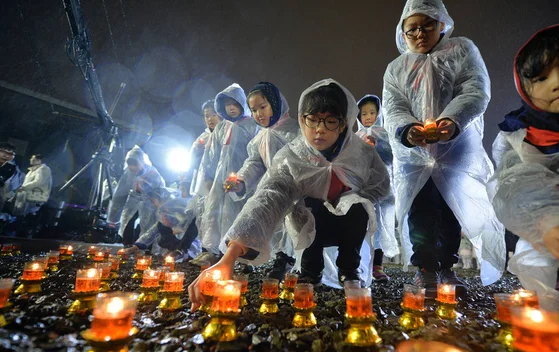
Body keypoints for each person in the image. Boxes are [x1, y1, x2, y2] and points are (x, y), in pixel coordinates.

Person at [188, 79, 390, 310]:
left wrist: (347, 198)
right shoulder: (293, 156)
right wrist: (229, 257)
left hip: (349, 227)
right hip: (312, 226)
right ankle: (309, 271)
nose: (319, 130)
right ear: (302, 119)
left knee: (356, 204)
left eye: (330, 122)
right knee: (309, 205)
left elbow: (380, 185)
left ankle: (349, 269)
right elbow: (268, 197)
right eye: (311, 120)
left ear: (344, 123)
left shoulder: (361, 153)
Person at [382, 0, 505, 299]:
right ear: (403, 32)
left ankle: (447, 267)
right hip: (416, 158)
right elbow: (394, 105)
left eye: (427, 25)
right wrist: (407, 130)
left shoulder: (461, 50)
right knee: (420, 212)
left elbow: (475, 88)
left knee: (451, 210)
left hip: (455, 152)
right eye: (412, 29)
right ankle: (425, 268)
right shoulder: (397, 68)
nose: (420, 34)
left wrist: (452, 119)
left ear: (442, 24)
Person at [488, 22, 559, 323]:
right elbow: (517, 182)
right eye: (541, 77)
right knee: (548, 275)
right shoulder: (525, 134)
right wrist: (547, 218)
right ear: (525, 88)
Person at [226, 82, 299, 280]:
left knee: (293, 223)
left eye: (263, 107)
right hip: (274, 187)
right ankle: (279, 257)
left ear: (275, 104)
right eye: (254, 110)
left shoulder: (295, 130)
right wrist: (240, 181)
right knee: (275, 222)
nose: (258, 113)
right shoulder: (260, 138)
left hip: (297, 187)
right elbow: (254, 163)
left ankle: (289, 259)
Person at [199, 83, 256, 256]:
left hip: (244, 180)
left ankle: (243, 256)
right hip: (220, 180)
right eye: (227, 104)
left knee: (243, 216)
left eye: (234, 103)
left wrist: (245, 180)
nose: (231, 108)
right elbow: (211, 156)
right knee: (219, 214)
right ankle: (219, 252)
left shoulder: (252, 125)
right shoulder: (222, 128)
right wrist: (209, 177)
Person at [356, 94, 399, 282]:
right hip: (362, 188)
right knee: (360, 224)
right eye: (364, 113)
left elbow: (392, 156)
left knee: (381, 227)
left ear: (379, 113)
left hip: (383, 188)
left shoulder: (385, 133)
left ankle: (378, 266)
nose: (368, 116)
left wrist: (378, 145)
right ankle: (359, 264)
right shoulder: (356, 136)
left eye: (372, 112)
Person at [107, 145, 165, 246]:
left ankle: (142, 247)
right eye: (130, 164)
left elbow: (160, 192)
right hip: (133, 201)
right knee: (127, 222)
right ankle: (127, 245)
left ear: (142, 162)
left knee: (146, 225)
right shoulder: (128, 173)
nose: (132, 167)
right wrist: (113, 216)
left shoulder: (153, 173)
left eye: (135, 164)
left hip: (149, 203)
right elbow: (120, 192)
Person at [123, 187, 199, 258]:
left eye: (153, 201)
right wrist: (137, 246)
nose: (153, 204)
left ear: (162, 198)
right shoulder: (164, 213)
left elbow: (185, 236)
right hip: (173, 251)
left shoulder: (180, 212)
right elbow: (154, 230)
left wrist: (176, 252)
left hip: (187, 252)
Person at [190, 100, 222, 195]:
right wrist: (197, 151)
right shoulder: (203, 137)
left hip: (219, 181)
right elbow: (193, 164)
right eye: (207, 116)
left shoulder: (226, 134)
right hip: (203, 183)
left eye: (213, 115)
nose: (210, 119)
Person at [0, 142, 22, 213]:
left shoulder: (15, 171)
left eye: (10, 154)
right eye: (2, 151)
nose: (5, 155)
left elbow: (14, 189)